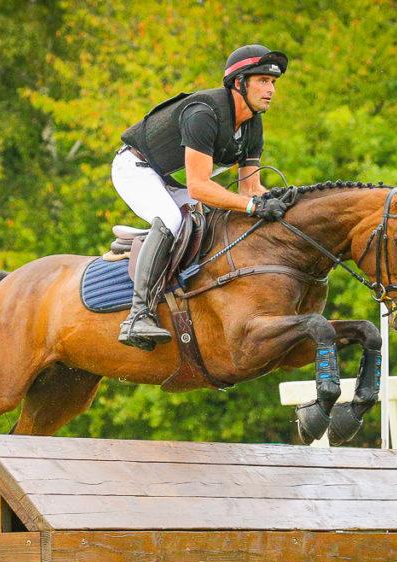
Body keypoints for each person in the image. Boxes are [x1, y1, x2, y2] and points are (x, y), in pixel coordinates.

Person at [113, 44, 294, 350]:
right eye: (262, 80)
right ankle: (138, 315)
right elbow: (199, 187)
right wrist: (253, 205)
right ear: (239, 83)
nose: (270, 89)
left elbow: (250, 189)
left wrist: (285, 204)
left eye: (273, 82)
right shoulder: (204, 114)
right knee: (171, 219)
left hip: (172, 180)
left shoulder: (253, 124)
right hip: (136, 167)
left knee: (218, 221)